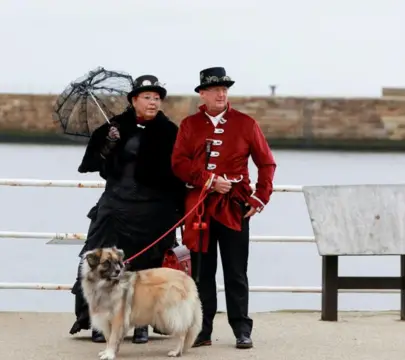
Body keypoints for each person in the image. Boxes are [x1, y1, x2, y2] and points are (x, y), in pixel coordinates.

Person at [69, 74, 186, 344]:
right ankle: (99, 323)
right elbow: (95, 164)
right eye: (147, 97)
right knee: (101, 264)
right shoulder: (115, 127)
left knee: (146, 269)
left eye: (157, 98)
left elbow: (178, 172)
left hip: (153, 212)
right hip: (115, 208)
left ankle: (142, 323)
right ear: (134, 100)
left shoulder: (169, 132)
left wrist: (177, 211)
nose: (153, 102)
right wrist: (109, 143)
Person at [171, 67, 277, 349]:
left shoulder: (245, 123)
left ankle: (242, 328)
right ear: (202, 94)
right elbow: (178, 164)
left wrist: (260, 198)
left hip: (235, 208)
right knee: (202, 272)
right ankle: (203, 330)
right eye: (215, 89)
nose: (221, 93)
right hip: (199, 209)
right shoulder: (189, 125)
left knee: (236, 271)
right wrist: (208, 181)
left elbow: (266, 163)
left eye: (225, 89)